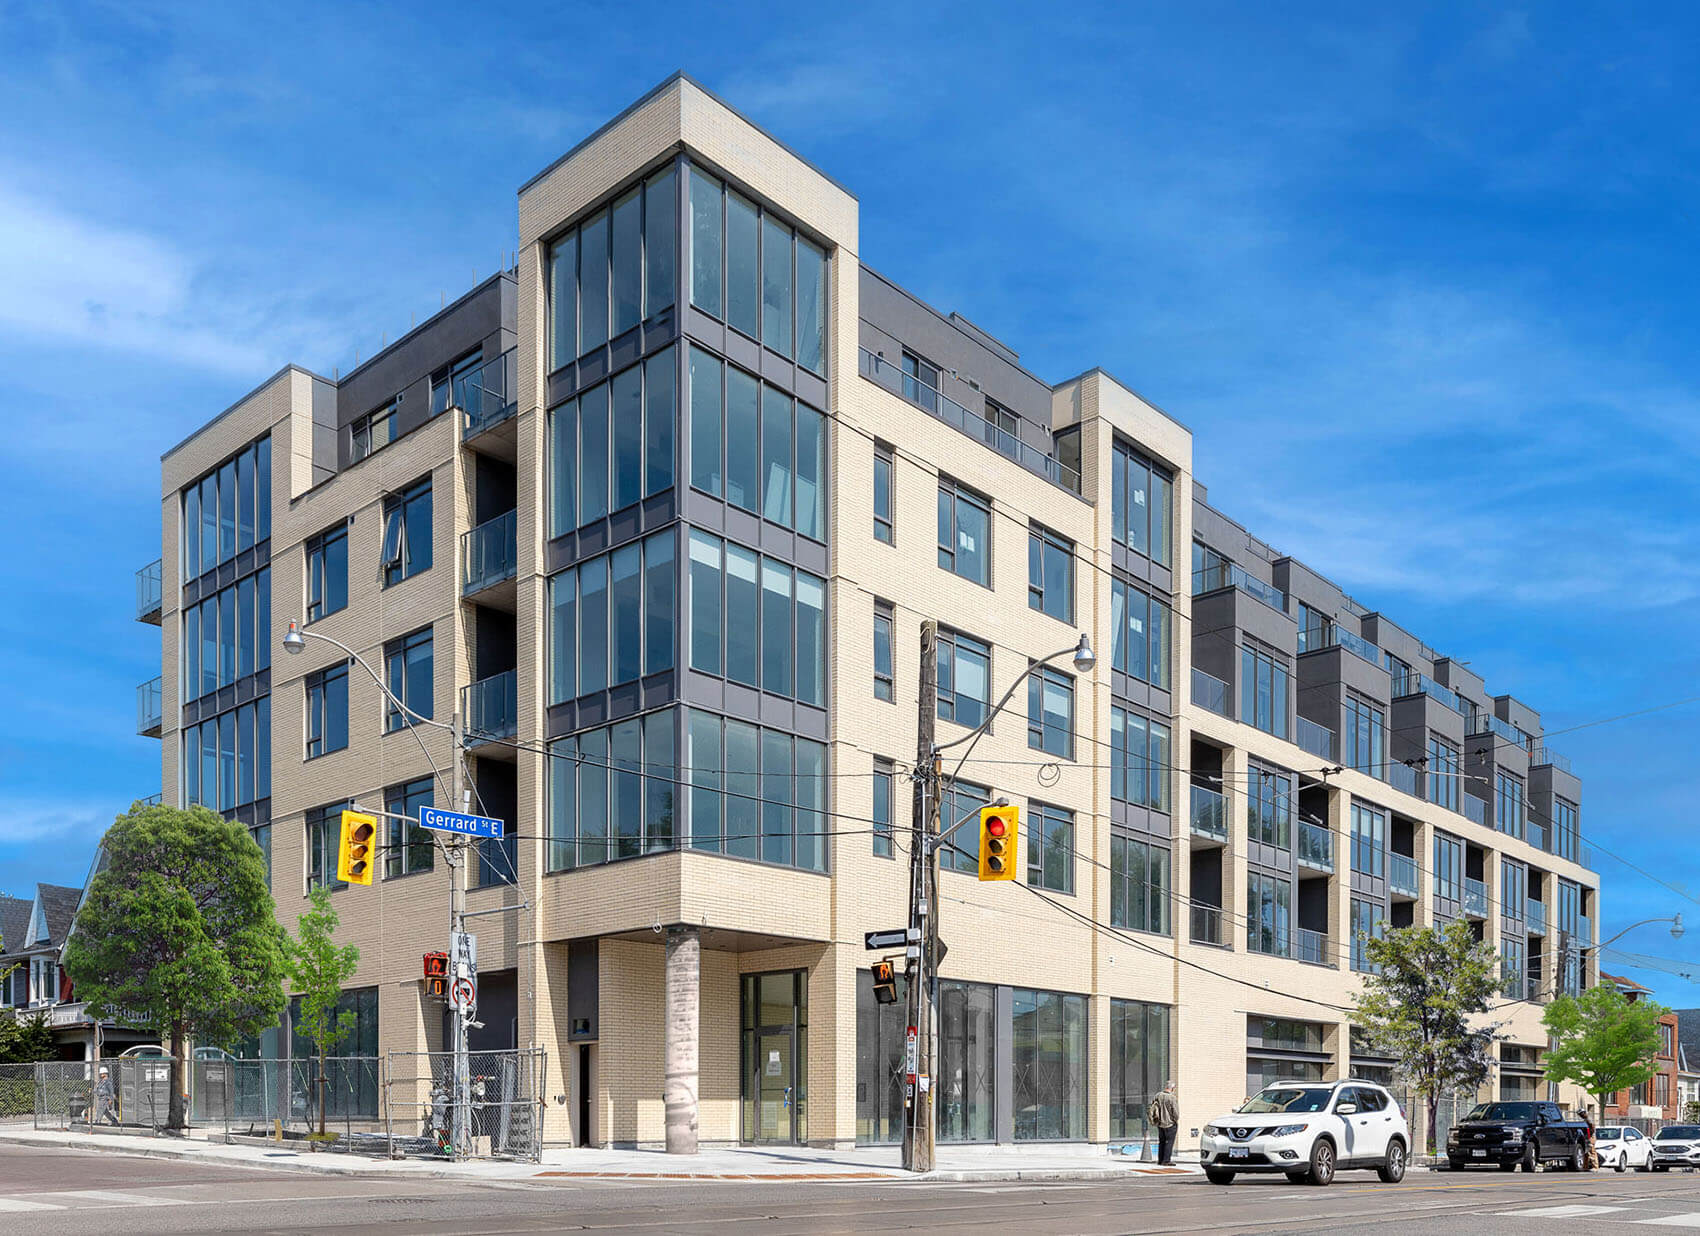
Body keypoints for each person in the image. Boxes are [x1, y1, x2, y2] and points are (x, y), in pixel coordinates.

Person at [1149, 1080, 1179, 1165]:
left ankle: (1160, 1160)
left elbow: (1152, 1107)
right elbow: (1176, 1113)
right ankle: (1166, 1161)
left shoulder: (1158, 1095)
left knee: (1161, 1141)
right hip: (1170, 1123)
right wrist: (1175, 1120)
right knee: (1169, 1142)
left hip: (1160, 1123)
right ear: (1172, 1088)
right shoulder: (1172, 1098)